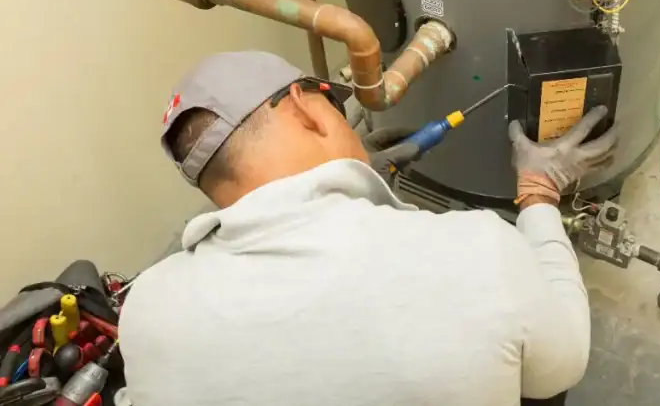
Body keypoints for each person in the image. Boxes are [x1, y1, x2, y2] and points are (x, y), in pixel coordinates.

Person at [119, 51, 618, 406]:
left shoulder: (147, 308)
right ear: (301, 106)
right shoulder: (477, 252)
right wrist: (538, 192)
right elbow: (566, 362)